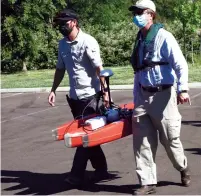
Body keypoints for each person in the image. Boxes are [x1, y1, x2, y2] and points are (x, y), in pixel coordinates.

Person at [128, 0, 191, 194]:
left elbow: (180, 64)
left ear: (151, 14)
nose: (137, 15)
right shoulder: (140, 39)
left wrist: (183, 89)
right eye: (135, 12)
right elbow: (139, 71)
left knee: (170, 140)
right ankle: (147, 182)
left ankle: (182, 166)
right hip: (142, 96)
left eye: (141, 12)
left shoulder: (164, 37)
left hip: (163, 96)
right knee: (142, 142)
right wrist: (136, 96)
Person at [48, 9, 110, 186]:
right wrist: (53, 90)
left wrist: (105, 92)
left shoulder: (87, 41)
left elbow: (99, 68)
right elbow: (60, 68)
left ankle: (76, 174)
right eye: (59, 24)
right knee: (89, 137)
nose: (61, 26)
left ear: (74, 22)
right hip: (75, 98)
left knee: (83, 136)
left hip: (90, 97)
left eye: (64, 23)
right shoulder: (62, 45)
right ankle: (101, 170)